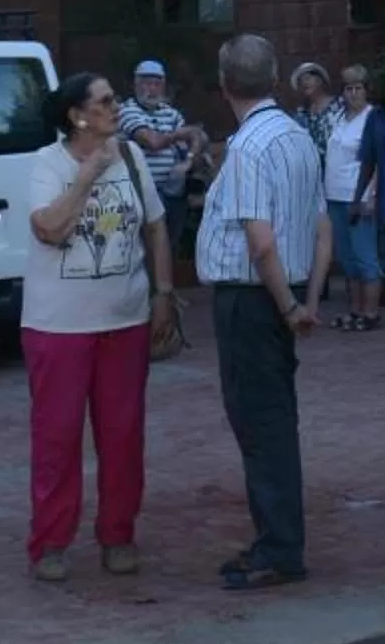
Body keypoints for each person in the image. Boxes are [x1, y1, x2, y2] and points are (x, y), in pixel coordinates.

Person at [22, 71, 181, 583]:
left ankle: (118, 534)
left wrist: (163, 293)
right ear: (77, 115)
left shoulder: (133, 157)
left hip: (125, 321)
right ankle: (50, 542)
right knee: (57, 438)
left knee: (122, 435)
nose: (117, 107)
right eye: (107, 100)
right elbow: (49, 228)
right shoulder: (46, 165)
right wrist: (89, 171)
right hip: (58, 327)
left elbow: (154, 226)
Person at [197, 33, 328, 590]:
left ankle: (278, 545)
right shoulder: (296, 137)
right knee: (272, 418)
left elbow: (260, 239)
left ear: (225, 84)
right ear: (274, 78)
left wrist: (291, 303)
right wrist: (308, 300)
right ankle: (277, 538)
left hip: (253, 298)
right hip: (282, 292)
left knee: (260, 423)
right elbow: (322, 227)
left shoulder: (250, 146)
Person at [322, 66, 385, 332]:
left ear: (366, 90)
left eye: (358, 88)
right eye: (348, 88)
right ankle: (355, 310)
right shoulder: (339, 117)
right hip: (334, 194)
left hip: (358, 195)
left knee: (365, 255)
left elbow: (379, 160)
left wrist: (371, 194)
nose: (352, 93)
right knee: (347, 257)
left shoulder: (373, 118)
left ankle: (371, 312)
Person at [117, 59, 209, 252]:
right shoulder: (127, 111)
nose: (152, 89)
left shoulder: (171, 113)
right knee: (147, 247)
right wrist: (180, 134)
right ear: (136, 84)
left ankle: (166, 279)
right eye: (146, 83)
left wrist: (190, 158)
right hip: (141, 193)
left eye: (157, 84)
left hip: (173, 191)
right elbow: (152, 141)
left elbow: (195, 136)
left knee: (171, 243)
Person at [287, 62, 338, 164]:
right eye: (300, 81)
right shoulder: (301, 114)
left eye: (307, 78)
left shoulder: (339, 106)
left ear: (320, 80)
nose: (304, 83)